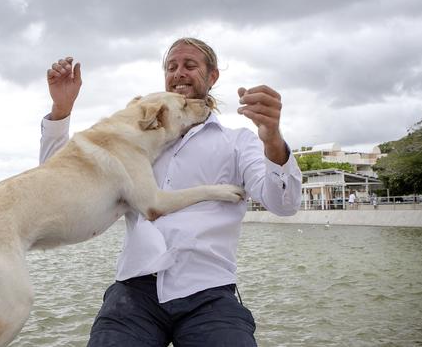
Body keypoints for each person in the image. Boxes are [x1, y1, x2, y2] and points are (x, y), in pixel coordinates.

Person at [40, 38, 302, 347]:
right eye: (171, 66)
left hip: (210, 294)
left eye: (190, 65)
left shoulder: (237, 142)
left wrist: (272, 138)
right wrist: (61, 109)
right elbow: (59, 183)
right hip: (133, 295)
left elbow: (284, 204)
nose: (179, 73)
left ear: (212, 76)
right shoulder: (136, 139)